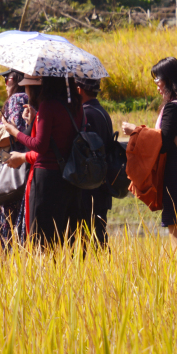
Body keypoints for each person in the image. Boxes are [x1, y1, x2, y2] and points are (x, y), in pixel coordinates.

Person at [121, 57, 177, 251]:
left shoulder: (173, 108)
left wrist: (135, 131)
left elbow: (163, 143)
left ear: (169, 80)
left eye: (158, 80)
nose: (157, 86)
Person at [3, 76, 84, 249]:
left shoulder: (48, 106)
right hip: (70, 177)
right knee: (63, 237)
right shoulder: (76, 106)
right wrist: (34, 122)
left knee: (41, 238)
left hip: (47, 180)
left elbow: (40, 145)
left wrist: (15, 132)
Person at [0, 69, 29, 252]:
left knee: (8, 233)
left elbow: (16, 135)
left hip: (15, 170)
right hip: (25, 168)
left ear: (13, 79)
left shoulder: (18, 99)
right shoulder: (31, 98)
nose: (5, 84)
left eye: (6, 79)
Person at [76, 78, 114, 248]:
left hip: (90, 186)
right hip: (102, 184)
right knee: (98, 234)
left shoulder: (86, 113)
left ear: (79, 90)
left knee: (87, 237)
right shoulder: (101, 111)